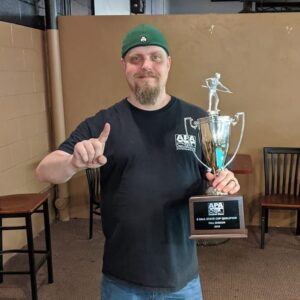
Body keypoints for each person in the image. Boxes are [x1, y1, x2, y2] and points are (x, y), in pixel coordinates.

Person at [36, 23, 240, 300]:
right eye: (136, 58)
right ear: (124, 65)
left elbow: (218, 175)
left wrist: (225, 181)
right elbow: (46, 170)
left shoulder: (198, 120)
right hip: (122, 280)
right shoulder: (105, 122)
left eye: (155, 56)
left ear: (168, 63)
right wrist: (73, 162)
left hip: (182, 279)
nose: (146, 65)